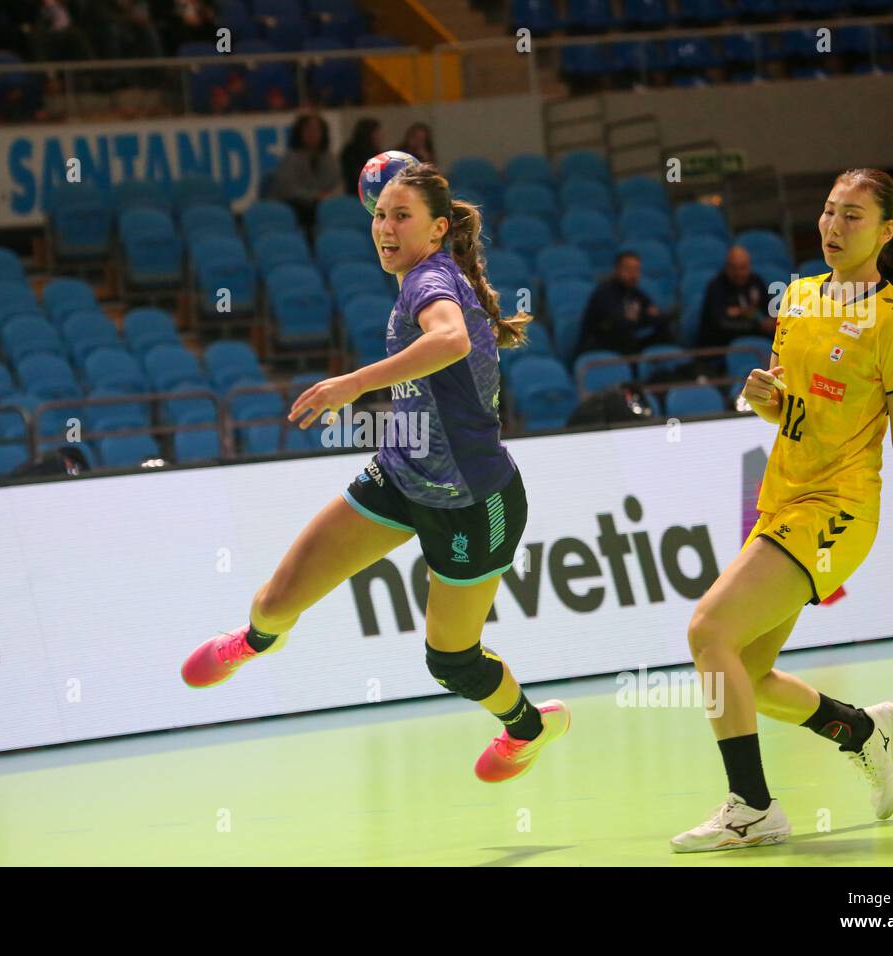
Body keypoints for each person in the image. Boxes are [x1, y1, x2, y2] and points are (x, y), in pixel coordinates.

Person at [181, 163, 571, 783]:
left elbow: (449, 341)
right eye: (380, 217)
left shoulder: (431, 281)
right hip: (401, 471)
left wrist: (352, 384)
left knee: (452, 660)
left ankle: (529, 727)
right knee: (274, 602)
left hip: (475, 500)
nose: (385, 229)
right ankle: (258, 640)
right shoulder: (419, 275)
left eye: (401, 217)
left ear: (438, 228)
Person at [671, 168, 893, 853]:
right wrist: (766, 398)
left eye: (853, 216)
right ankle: (863, 731)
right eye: (829, 212)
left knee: (707, 630)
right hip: (782, 500)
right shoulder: (797, 297)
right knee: (747, 669)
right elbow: (787, 403)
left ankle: (753, 807)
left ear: (886, 231)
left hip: (840, 510)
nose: (833, 226)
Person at [572, 251, 668, 357]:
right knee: (627, 337)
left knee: (663, 332)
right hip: (598, 347)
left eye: (637, 270)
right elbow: (620, 323)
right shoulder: (604, 293)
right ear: (617, 271)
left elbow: (657, 315)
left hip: (624, 343)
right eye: (629, 269)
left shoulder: (635, 292)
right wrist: (644, 317)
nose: (634, 274)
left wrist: (638, 317)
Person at [265, 112, 342, 231]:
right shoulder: (291, 158)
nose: (312, 134)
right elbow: (288, 189)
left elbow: (338, 183)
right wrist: (314, 196)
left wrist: (329, 196)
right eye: (308, 130)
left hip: (323, 205)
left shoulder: (329, 158)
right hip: (297, 207)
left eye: (316, 130)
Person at [698, 246, 772, 348]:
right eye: (735, 268)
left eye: (743, 268)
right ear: (727, 268)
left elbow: (769, 312)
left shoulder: (756, 282)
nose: (739, 273)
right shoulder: (717, 286)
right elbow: (720, 324)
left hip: (757, 341)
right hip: (722, 346)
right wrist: (756, 325)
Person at [341, 118, 382, 196]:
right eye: (377, 133)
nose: (380, 136)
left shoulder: (376, 153)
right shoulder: (351, 152)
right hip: (356, 195)